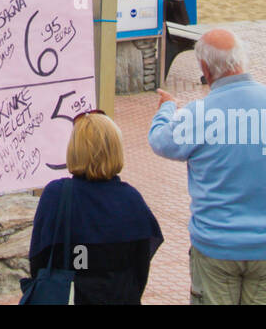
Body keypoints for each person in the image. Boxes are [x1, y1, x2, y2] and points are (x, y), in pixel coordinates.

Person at [149, 29, 266, 305]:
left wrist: (167, 109)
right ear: (242, 59)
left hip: (215, 248)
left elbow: (159, 140)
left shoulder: (199, 114)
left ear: (205, 67)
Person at [27, 110, 164, 304]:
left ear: (74, 149)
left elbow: (38, 262)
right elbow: (140, 269)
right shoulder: (131, 200)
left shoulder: (56, 196)